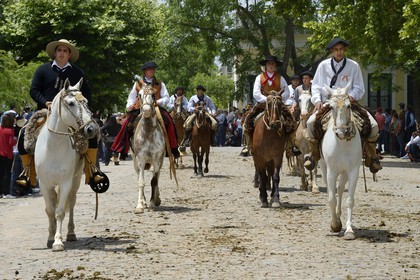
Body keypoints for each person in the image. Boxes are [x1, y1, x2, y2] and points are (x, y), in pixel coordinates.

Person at [20, 39, 103, 187]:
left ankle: (92, 172)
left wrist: (83, 111)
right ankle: (27, 176)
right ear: (55, 53)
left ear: (69, 54)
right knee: (23, 135)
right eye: (59, 50)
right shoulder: (42, 70)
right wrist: (46, 102)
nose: (62, 53)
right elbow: (34, 90)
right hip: (45, 110)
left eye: (65, 51)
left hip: (72, 113)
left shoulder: (77, 72)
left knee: (92, 134)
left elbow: (87, 94)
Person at [303, 37, 382, 173]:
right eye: (335, 50)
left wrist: (352, 96)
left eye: (341, 49)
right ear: (332, 51)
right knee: (310, 123)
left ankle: (372, 156)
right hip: (329, 102)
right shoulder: (323, 66)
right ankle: (313, 153)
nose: (338, 52)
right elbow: (315, 85)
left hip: (347, 102)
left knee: (374, 126)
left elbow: (359, 87)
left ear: (344, 50)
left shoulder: (353, 66)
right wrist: (317, 100)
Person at [111, 61, 180, 158]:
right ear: (145, 71)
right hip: (139, 108)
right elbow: (131, 97)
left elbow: (166, 98)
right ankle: (121, 149)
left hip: (155, 108)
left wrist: (158, 102)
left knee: (169, 121)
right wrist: (130, 105)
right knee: (127, 124)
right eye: (149, 69)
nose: (152, 71)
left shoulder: (160, 83)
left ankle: (172, 149)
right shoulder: (137, 84)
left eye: (153, 69)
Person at [242, 55, 297, 156]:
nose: (271, 65)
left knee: (291, 120)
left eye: (272, 63)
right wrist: (267, 99)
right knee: (248, 119)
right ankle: (248, 145)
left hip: (278, 104)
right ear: (266, 66)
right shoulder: (260, 77)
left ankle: (291, 146)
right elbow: (256, 93)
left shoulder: (281, 78)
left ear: (275, 65)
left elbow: (287, 92)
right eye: (269, 63)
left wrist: (279, 99)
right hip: (263, 103)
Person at [179, 85, 218, 151]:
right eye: (199, 90)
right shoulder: (193, 98)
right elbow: (189, 107)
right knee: (187, 124)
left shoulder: (207, 98)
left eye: (201, 91)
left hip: (205, 113)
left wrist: (213, 113)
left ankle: (212, 139)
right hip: (195, 113)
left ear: (203, 92)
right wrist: (194, 109)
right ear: (197, 91)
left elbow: (212, 107)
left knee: (214, 123)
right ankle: (186, 140)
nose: (200, 92)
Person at [0, 113, 17, 197]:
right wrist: (15, 140)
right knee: (7, 173)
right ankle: (5, 192)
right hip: (7, 154)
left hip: (0, 153)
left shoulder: (0, 129)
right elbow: (11, 143)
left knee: (1, 172)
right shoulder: (11, 131)